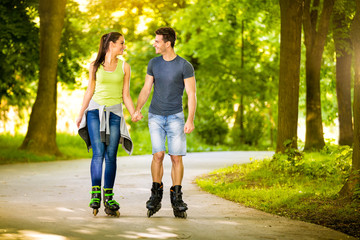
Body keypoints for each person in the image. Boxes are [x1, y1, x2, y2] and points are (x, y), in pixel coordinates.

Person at [132, 27, 196, 218]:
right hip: (156, 116)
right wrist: (138, 109)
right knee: (158, 155)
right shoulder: (153, 63)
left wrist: (190, 119)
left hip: (176, 116)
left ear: (168, 43)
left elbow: (192, 94)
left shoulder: (185, 66)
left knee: (176, 157)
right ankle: (155, 195)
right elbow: (146, 88)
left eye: (157, 41)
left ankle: (177, 197)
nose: (154, 43)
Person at [76, 32, 137, 217]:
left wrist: (134, 112)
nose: (124, 46)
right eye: (121, 43)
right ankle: (95, 195)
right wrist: (80, 114)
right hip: (95, 112)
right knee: (99, 153)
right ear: (111, 44)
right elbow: (89, 91)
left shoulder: (125, 67)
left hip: (115, 114)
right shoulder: (94, 66)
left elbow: (125, 94)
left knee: (111, 155)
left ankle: (108, 197)